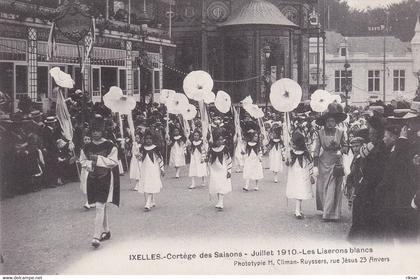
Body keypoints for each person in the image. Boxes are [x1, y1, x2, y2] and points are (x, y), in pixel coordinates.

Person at [79, 115, 119, 248]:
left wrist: (99, 159)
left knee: (100, 206)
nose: (95, 133)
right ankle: (106, 231)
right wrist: (89, 164)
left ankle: (96, 236)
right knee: (100, 205)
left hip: (105, 178)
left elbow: (113, 162)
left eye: (98, 130)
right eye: (93, 130)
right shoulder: (87, 146)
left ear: (103, 131)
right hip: (92, 178)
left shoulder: (110, 145)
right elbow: (82, 161)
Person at [375, 124, 419, 242]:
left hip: (402, 198)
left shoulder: (406, 147)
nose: (383, 139)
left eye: (386, 136)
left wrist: (402, 140)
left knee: (402, 237)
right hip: (395, 197)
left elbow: (394, 169)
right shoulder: (395, 147)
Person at [313, 103, 347, 221]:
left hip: (336, 162)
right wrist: (315, 165)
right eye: (328, 121)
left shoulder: (341, 132)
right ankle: (326, 210)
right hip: (324, 162)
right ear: (325, 122)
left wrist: (341, 151)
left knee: (334, 187)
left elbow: (345, 146)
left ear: (336, 122)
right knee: (324, 187)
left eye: (332, 121)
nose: (330, 123)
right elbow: (316, 149)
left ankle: (331, 213)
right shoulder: (320, 133)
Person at [286, 131, 315, 219]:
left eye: (294, 144)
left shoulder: (305, 153)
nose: (292, 145)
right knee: (297, 189)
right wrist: (287, 158)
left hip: (303, 173)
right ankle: (297, 210)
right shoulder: (291, 152)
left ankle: (298, 209)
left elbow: (310, 164)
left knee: (301, 189)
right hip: (294, 174)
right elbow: (288, 163)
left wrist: (311, 175)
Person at [137, 130, 164, 211]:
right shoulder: (143, 148)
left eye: (150, 138)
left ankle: (148, 203)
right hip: (145, 169)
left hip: (153, 169)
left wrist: (162, 169)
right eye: (147, 138)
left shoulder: (155, 148)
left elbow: (160, 159)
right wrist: (137, 154)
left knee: (151, 183)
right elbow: (140, 158)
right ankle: (152, 201)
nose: (148, 140)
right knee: (147, 183)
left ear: (153, 140)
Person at [207, 133, 232, 210]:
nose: (220, 141)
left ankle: (221, 202)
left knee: (221, 185)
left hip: (222, 169)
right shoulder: (211, 149)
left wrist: (229, 170)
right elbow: (209, 160)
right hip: (214, 170)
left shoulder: (225, 148)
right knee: (217, 185)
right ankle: (219, 201)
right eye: (218, 140)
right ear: (214, 140)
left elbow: (229, 160)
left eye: (221, 140)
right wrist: (208, 166)